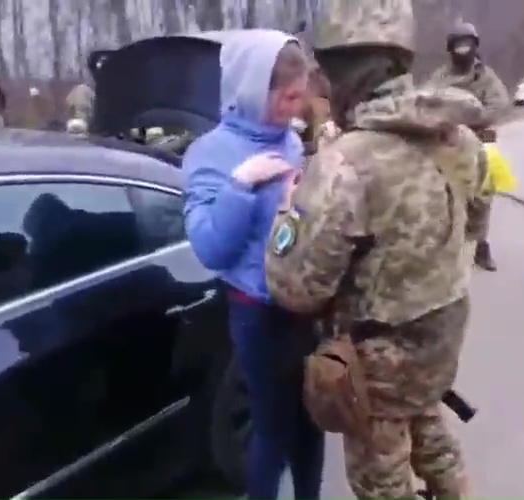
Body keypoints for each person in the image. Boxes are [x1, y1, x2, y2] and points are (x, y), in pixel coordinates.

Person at [263, 2, 485, 499]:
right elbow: (473, 221)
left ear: (346, 75)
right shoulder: (460, 138)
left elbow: (295, 288)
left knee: (380, 478)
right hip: (441, 332)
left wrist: (288, 209)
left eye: (328, 73)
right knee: (430, 428)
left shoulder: (346, 162)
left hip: (379, 357)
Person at [181, 30, 324, 500]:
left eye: (298, 98)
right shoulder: (210, 153)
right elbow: (211, 249)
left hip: (304, 305)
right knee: (273, 431)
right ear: (249, 89)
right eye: (284, 98)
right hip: (258, 312)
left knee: (311, 423)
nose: (293, 109)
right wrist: (240, 189)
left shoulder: (291, 142)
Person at [428, 21, 510, 272]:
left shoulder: (486, 76)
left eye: (467, 44)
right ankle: (448, 246)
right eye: (458, 45)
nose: (463, 50)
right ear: (450, 49)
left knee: (482, 199)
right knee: (445, 196)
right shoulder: (440, 77)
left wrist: (470, 117)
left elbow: (499, 104)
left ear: (475, 46)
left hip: (482, 144)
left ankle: (481, 246)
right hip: (448, 146)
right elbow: (426, 102)